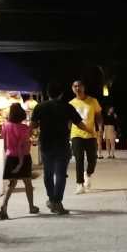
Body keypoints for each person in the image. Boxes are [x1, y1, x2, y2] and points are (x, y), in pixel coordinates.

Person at [31, 81, 87, 215]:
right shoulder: (67, 107)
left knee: (48, 174)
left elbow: (32, 125)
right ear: (61, 93)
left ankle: (52, 200)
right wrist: (90, 130)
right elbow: (80, 124)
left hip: (46, 145)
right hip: (62, 145)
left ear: (48, 93)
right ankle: (57, 202)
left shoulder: (40, 107)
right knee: (61, 175)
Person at [0, 103, 37, 220]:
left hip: (10, 157)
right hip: (23, 157)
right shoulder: (24, 128)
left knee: (11, 184)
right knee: (27, 183)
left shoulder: (5, 126)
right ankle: (31, 207)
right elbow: (23, 145)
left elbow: (4, 144)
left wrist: (8, 154)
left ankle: (4, 206)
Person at [70, 80, 103, 193]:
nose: (77, 88)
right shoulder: (71, 103)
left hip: (91, 134)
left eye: (79, 85)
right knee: (78, 159)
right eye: (75, 86)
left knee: (92, 160)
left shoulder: (93, 101)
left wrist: (100, 128)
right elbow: (69, 121)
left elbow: (98, 116)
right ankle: (80, 184)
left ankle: (88, 174)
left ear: (84, 87)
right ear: (72, 89)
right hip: (76, 134)